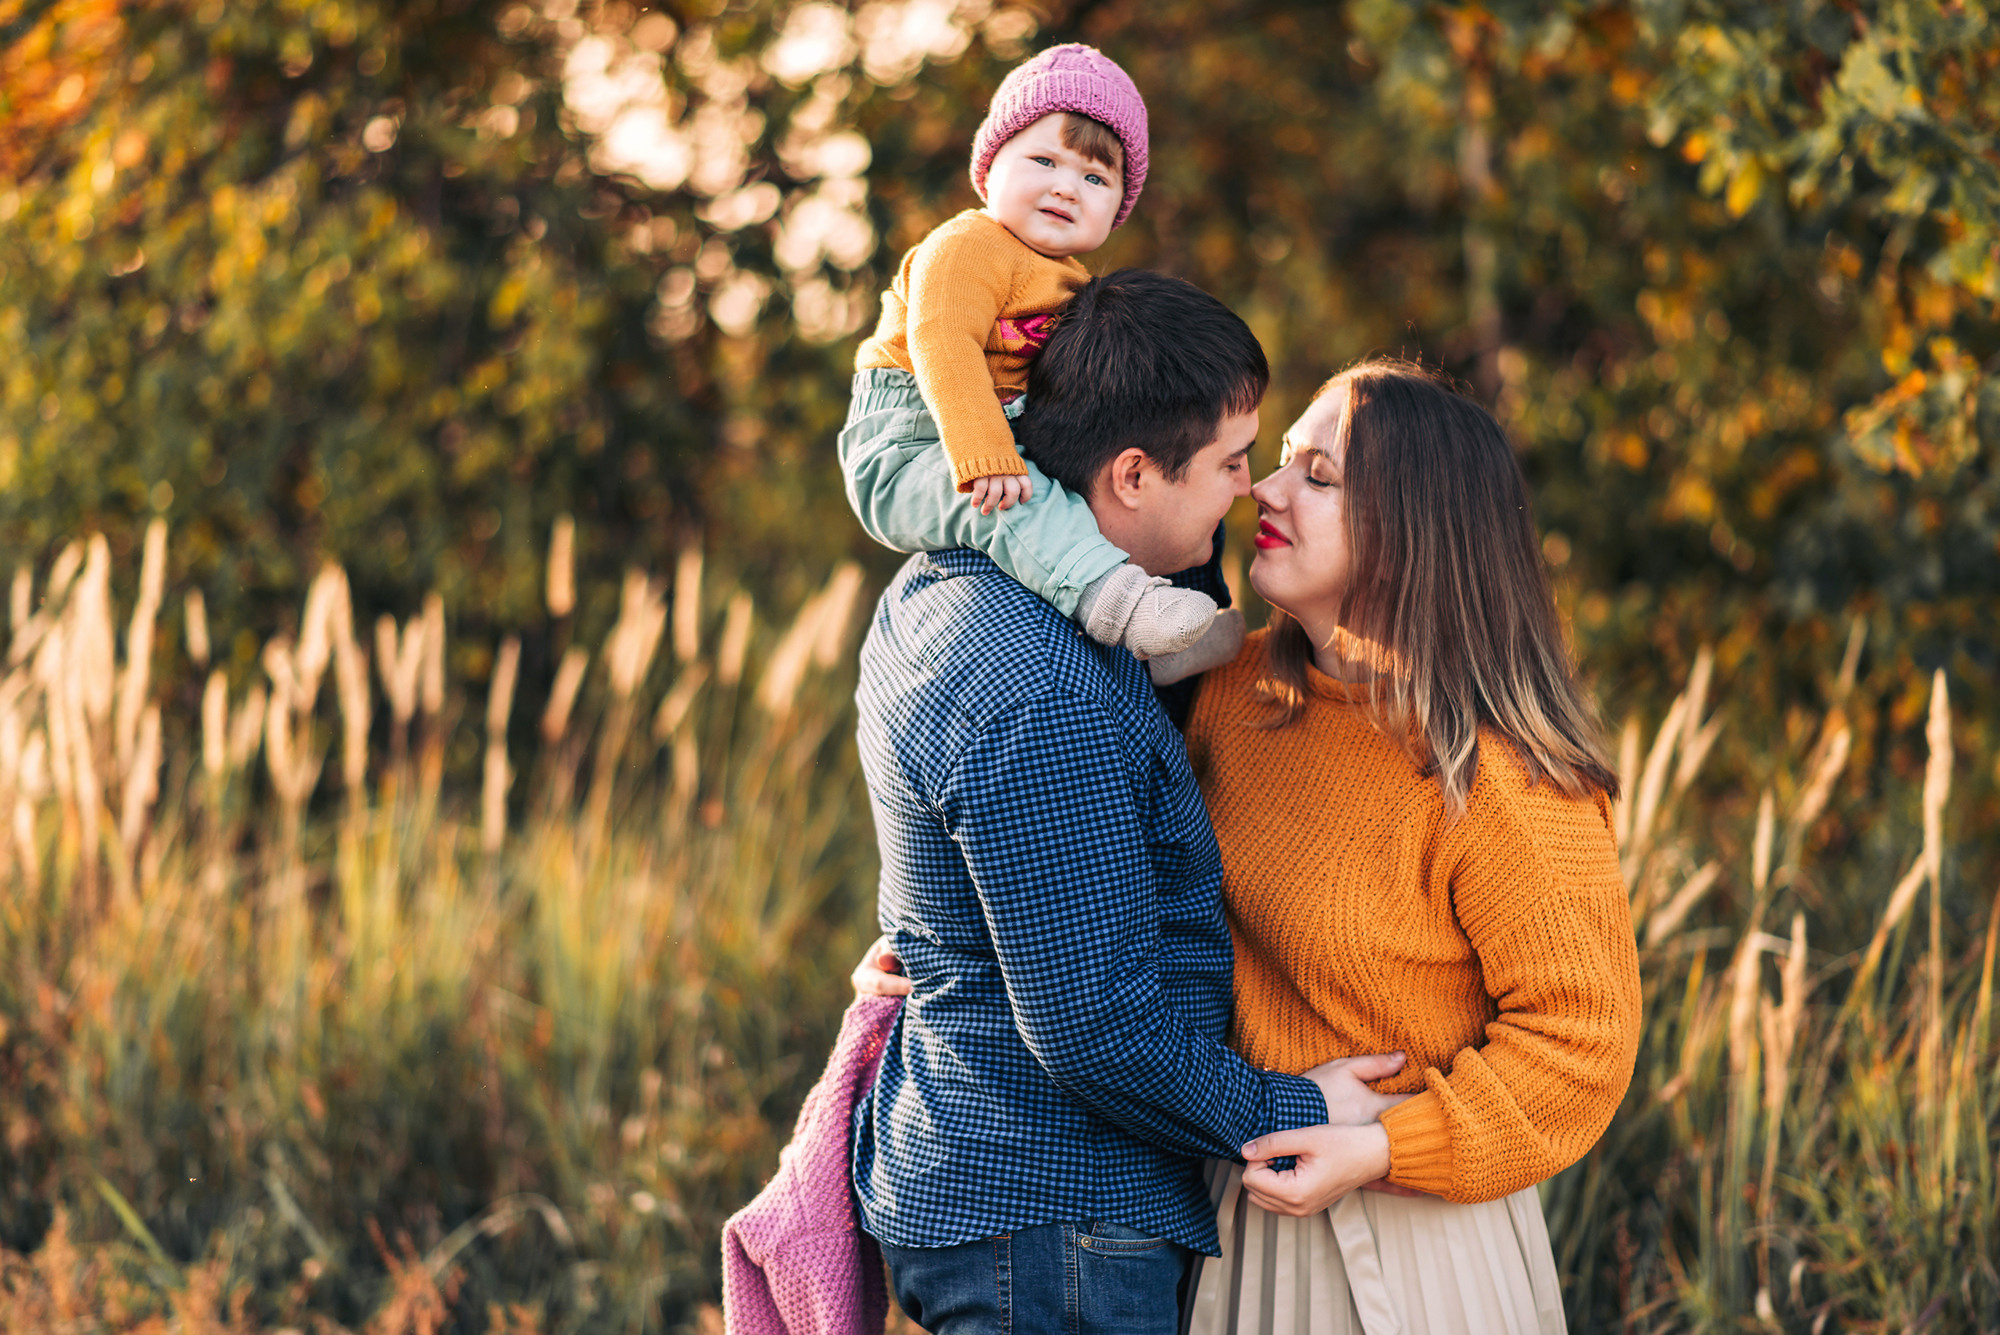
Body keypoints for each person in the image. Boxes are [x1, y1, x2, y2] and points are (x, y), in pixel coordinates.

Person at [861, 361, 1643, 1333]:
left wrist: (1388, 1147)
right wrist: (954, 934)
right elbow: (1088, 858)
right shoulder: (1219, 686)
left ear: (1413, 538)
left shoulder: (1500, 778)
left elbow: (1579, 1043)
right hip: (1211, 1192)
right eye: (1275, 463)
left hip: (1400, 1233)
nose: (1259, 491)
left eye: (1316, 477)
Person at [849, 269, 1409, 1335]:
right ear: (1133, 475)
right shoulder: (1043, 689)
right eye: (1231, 463)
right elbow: (1095, 1027)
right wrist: (1296, 1107)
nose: (1249, 491)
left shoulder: (946, 583)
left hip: (990, 1185)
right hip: (1054, 1223)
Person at [843, 41, 1241, 674]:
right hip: (915, 442)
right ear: (990, 165)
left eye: (1094, 178)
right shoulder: (968, 246)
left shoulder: (1068, 278)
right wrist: (985, 455)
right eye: (1043, 160)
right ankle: (1122, 607)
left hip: (1006, 424)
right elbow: (942, 342)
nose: (1065, 187)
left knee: (1178, 472)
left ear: (1118, 208)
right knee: (1014, 505)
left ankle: (1179, 629)